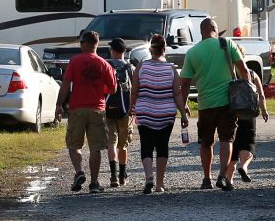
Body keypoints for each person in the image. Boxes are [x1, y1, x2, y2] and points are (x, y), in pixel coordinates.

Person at [178, 17, 250, 191]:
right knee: (226, 139)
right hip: (228, 102)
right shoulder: (227, 44)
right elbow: (244, 70)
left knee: (205, 142)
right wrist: (246, 92)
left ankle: (206, 178)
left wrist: (183, 107)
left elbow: (185, 84)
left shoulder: (193, 52)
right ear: (213, 28)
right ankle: (223, 176)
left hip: (205, 104)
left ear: (201, 31)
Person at [55, 30, 117, 193]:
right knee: (96, 147)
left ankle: (79, 172)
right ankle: (94, 183)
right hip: (97, 108)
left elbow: (65, 85)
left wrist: (59, 105)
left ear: (85, 43)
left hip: (77, 108)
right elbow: (112, 89)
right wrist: (98, 89)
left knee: (74, 144)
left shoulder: (74, 62)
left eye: (81, 42)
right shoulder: (105, 64)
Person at [130, 33, 188, 194]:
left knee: (146, 146)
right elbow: (177, 94)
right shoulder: (171, 69)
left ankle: (149, 177)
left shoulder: (141, 67)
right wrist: (183, 113)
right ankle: (159, 184)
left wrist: (131, 107)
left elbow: (134, 91)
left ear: (151, 49)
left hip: (145, 112)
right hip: (166, 114)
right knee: (162, 146)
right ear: (164, 49)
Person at [105, 38, 135, 187]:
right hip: (126, 111)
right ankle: (122, 175)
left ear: (113, 50)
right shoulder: (130, 68)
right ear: (124, 51)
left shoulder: (106, 66)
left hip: (108, 109)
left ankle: (113, 176)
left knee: (111, 141)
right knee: (123, 144)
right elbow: (135, 89)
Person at [229, 68, 268, 182]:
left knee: (232, 142)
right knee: (248, 142)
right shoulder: (252, 73)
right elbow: (261, 95)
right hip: (248, 112)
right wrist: (264, 110)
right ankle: (244, 167)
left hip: (232, 112)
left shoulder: (226, 73)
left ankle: (228, 178)